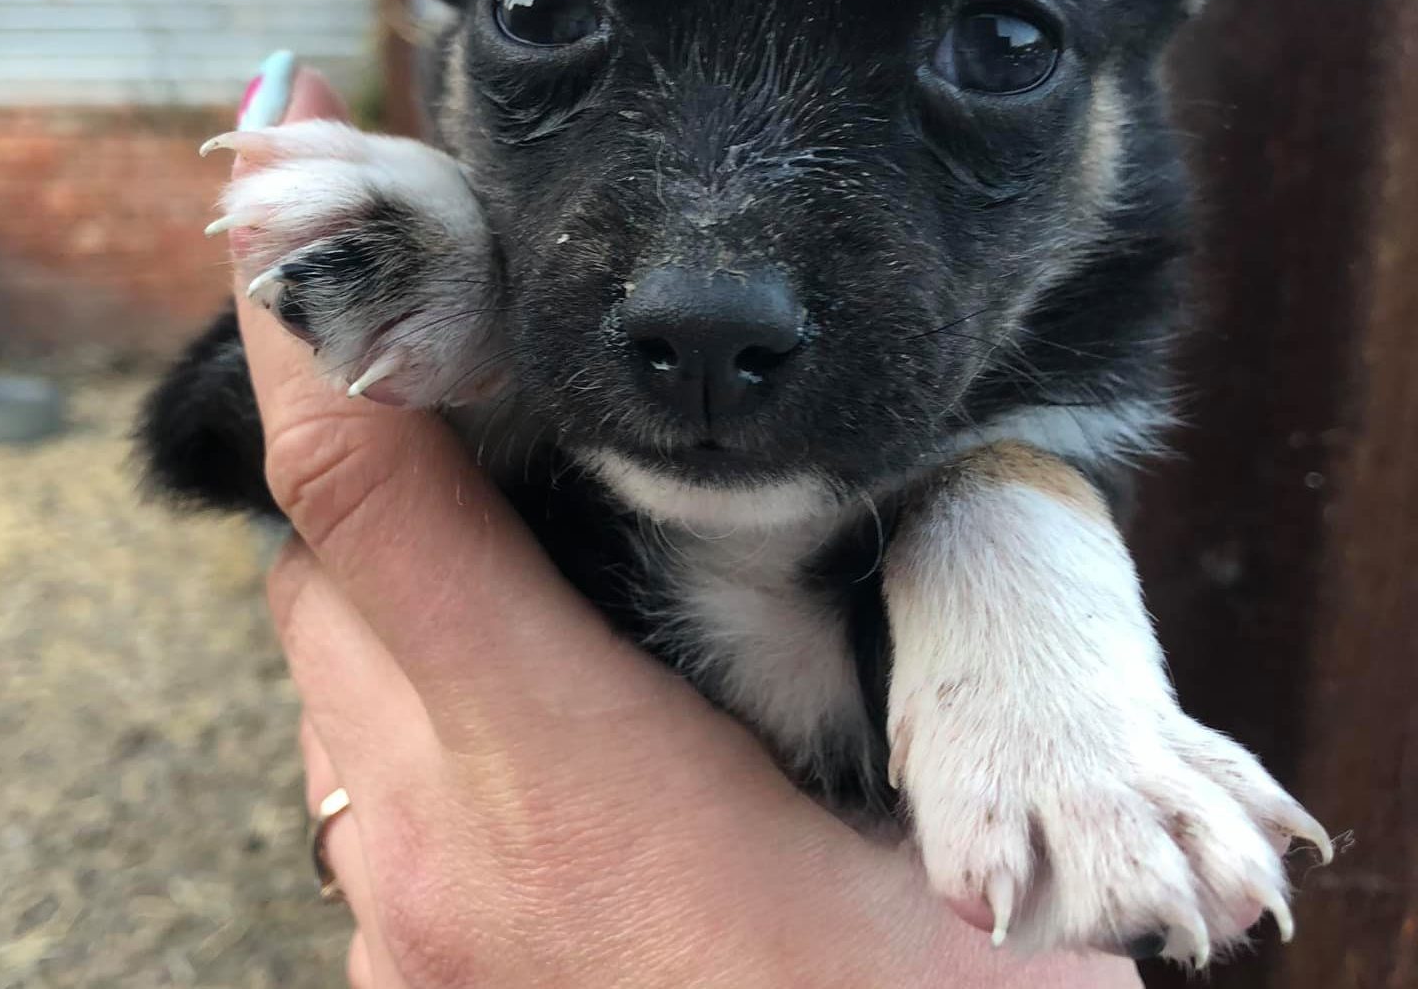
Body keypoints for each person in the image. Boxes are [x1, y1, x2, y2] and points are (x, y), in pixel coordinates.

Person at [230, 60, 1140, 989]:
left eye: (995, 41)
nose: (712, 275)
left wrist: (1003, 526)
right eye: (547, 11)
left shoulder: (1035, 453)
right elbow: (219, 425)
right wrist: (474, 269)